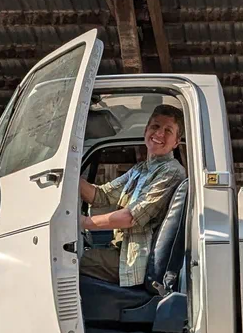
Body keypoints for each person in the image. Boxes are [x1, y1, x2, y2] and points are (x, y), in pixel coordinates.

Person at [79, 105, 186, 287]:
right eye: (155, 127)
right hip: (120, 249)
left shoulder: (172, 172)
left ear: (176, 142)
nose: (159, 134)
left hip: (134, 259)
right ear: (146, 131)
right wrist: (70, 176)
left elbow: (130, 217)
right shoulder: (141, 169)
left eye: (168, 130)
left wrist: (81, 222)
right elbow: (101, 195)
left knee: (64, 259)